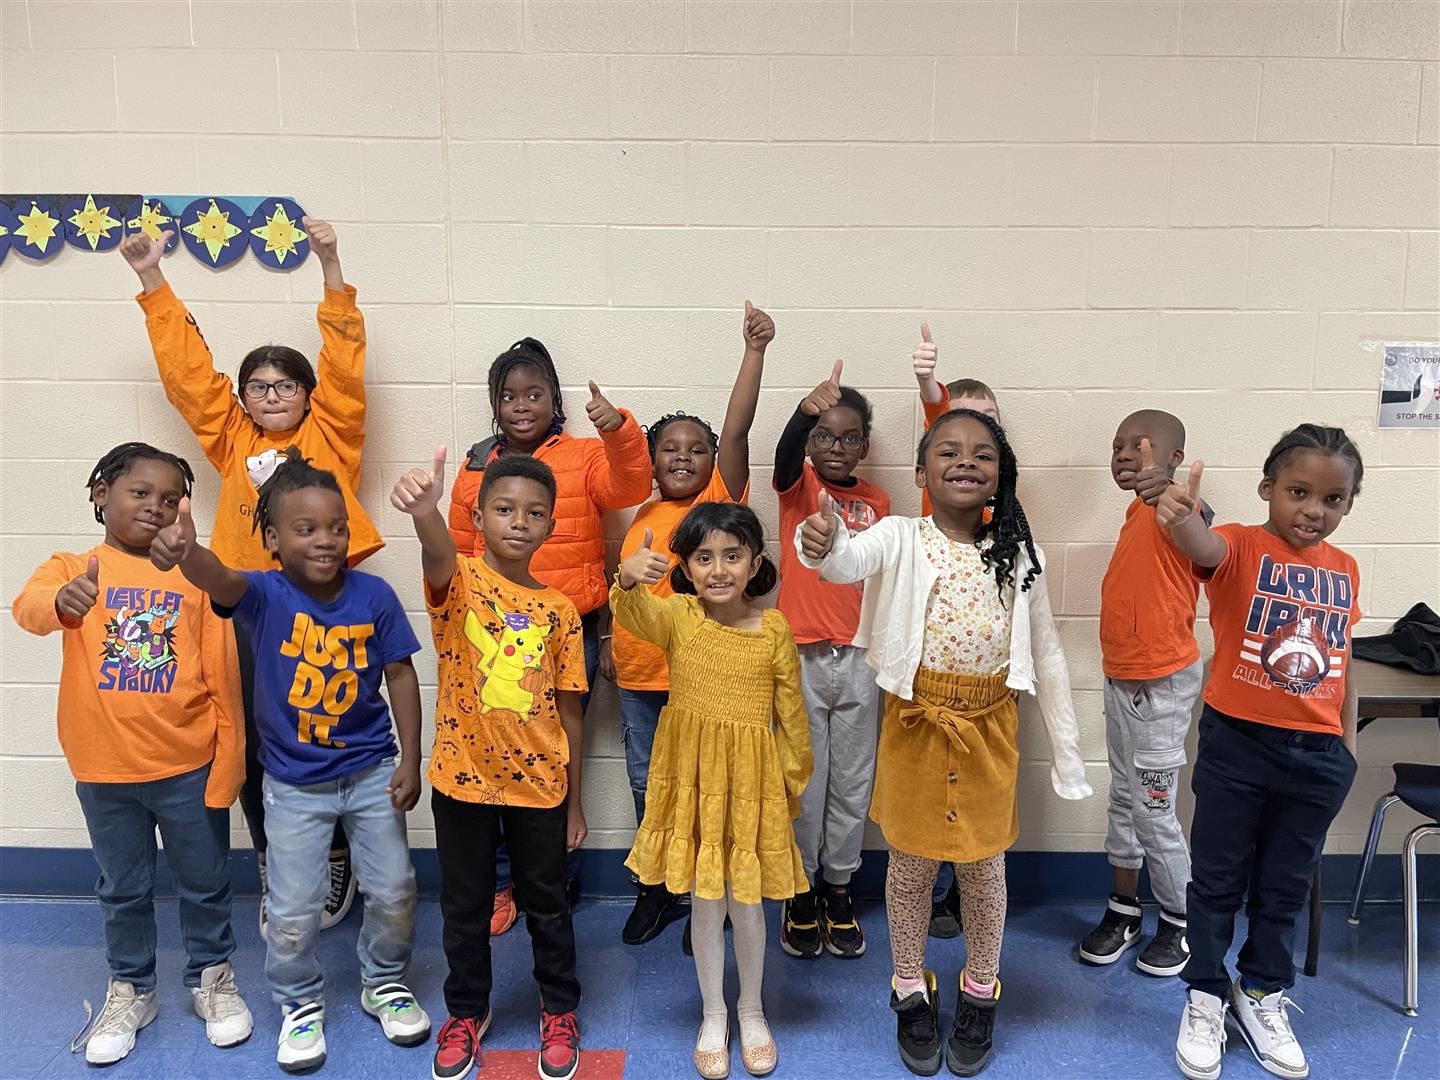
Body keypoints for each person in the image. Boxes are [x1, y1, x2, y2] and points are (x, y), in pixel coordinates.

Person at [797, 409, 1091, 1078]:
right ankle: (908, 988)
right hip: (915, 725)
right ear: (922, 471)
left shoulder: (1022, 554)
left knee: (984, 869)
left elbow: (1045, 653)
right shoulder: (900, 537)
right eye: (949, 451)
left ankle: (981, 991)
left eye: (982, 454)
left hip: (991, 729)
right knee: (911, 868)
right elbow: (846, 560)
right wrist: (826, 542)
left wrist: (1068, 754)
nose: (966, 461)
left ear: (999, 476)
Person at [120, 220, 373, 934]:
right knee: (252, 742)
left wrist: (330, 260)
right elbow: (191, 381)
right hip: (242, 614)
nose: (269, 396)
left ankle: (332, 855)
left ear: (305, 392)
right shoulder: (232, 441)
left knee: (327, 730)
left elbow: (347, 365)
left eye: (285, 384)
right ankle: (273, 861)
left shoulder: (330, 439)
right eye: (256, 387)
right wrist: (153, 283)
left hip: (322, 611)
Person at [151, 452, 428, 1073]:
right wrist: (188, 551)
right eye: (306, 529)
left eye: (336, 526)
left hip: (371, 772)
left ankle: (382, 980)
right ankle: (300, 1003)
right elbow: (217, 579)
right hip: (294, 787)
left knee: (394, 889)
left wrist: (411, 756)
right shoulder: (262, 594)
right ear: (273, 540)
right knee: (294, 909)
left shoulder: (375, 594)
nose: (326, 539)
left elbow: (401, 675)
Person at [11, 443, 252, 1066]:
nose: (155, 506)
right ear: (101, 494)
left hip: (188, 766)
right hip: (104, 769)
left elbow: (224, 675)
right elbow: (30, 608)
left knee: (205, 882)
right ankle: (132, 988)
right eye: (139, 492)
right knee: (123, 887)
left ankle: (212, 978)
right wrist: (64, 601)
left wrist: (229, 763)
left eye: (170, 499)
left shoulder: (194, 575)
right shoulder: (73, 564)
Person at [1159, 425, 1363, 1080]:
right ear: (1268, 490)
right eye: (1299, 492)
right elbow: (1201, 544)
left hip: (1317, 755)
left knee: (1284, 887)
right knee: (1217, 881)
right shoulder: (1243, 546)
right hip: (1239, 745)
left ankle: (1262, 992)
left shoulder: (1346, 570)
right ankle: (1205, 995)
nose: (1314, 510)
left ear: (1348, 506)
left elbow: (1342, 659)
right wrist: (1180, 518)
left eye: (1333, 499)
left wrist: (1346, 746)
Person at [447, 336, 651, 935]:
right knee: (498, 751)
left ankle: (554, 876)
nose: (521, 405)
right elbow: (459, 557)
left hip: (570, 627)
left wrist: (619, 431)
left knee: (555, 751)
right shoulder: (474, 466)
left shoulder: (586, 456)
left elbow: (629, 488)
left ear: (554, 399)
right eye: (508, 396)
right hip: (494, 637)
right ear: (494, 404)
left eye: (534, 393)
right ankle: (505, 882)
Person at [395, 450, 587, 1080]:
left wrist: (576, 802)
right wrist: (427, 515)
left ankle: (558, 1008)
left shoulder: (560, 612)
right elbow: (436, 557)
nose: (518, 522)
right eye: (503, 509)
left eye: (534, 513)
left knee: (548, 904)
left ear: (550, 524)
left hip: (540, 787)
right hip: (462, 781)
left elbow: (572, 712)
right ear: (478, 516)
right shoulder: (463, 582)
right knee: (465, 906)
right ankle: (467, 1009)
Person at [613, 503, 811, 1079]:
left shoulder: (774, 629)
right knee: (705, 901)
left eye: (732, 555)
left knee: (747, 904)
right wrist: (626, 576)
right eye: (704, 558)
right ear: (687, 568)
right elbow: (629, 613)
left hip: (752, 786)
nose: (718, 569)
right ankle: (713, 1013)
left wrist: (790, 782)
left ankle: (751, 1009)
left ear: (755, 564)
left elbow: (791, 715)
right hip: (694, 783)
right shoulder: (676, 616)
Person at [612, 302, 773, 947]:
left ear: (714, 460)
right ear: (650, 459)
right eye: (669, 448)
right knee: (646, 779)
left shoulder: (718, 504)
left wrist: (754, 351)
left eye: (696, 448)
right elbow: (622, 590)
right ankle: (660, 886)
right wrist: (605, 640)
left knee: (706, 785)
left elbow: (737, 428)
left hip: (702, 680)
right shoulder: (641, 514)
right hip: (637, 672)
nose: (683, 456)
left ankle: (706, 893)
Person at [1079, 411, 1209, 977]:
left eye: (1140, 446)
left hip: (1160, 687)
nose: (1125, 454)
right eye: (1117, 446)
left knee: (1155, 810)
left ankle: (1182, 923)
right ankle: (1123, 909)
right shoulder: (1135, 512)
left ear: (1174, 460)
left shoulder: (1174, 509)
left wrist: (1179, 501)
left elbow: (1200, 531)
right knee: (1125, 801)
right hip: (1121, 679)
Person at [772, 358, 890, 960]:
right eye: (825, 436)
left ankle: (838, 889)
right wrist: (803, 413)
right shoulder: (800, 488)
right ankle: (799, 891)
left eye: (849, 437)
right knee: (804, 781)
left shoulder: (878, 501)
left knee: (852, 781)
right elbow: (783, 458)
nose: (837, 447)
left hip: (861, 661)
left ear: (864, 444)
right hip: (800, 657)